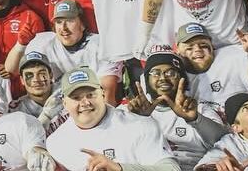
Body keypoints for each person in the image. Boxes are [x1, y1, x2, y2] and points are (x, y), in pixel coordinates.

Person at [45, 67, 180, 170]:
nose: (85, 103)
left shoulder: (140, 125)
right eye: (76, 98)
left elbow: (171, 169)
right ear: (64, 103)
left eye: (91, 95)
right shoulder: (56, 143)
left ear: (103, 94)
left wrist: (120, 168)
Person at [120, 52, 226, 169]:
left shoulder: (199, 110)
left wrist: (195, 119)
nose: (163, 78)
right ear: (146, 80)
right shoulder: (129, 111)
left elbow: (225, 141)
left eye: (171, 73)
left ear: (182, 80)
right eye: (155, 73)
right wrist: (137, 120)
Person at [172, 22, 248, 106]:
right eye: (189, 47)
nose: (197, 50)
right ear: (178, 50)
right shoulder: (172, 72)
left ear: (212, 46)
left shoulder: (230, 57)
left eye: (203, 45)